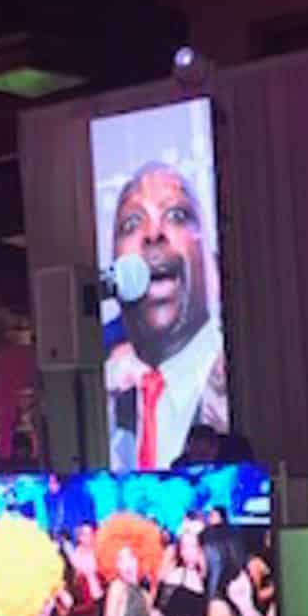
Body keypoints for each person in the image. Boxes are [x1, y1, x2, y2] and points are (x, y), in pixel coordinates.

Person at [104, 163, 229, 471]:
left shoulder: (228, 378)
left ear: (210, 257)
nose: (152, 235)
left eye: (176, 216)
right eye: (132, 223)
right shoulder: (108, 394)